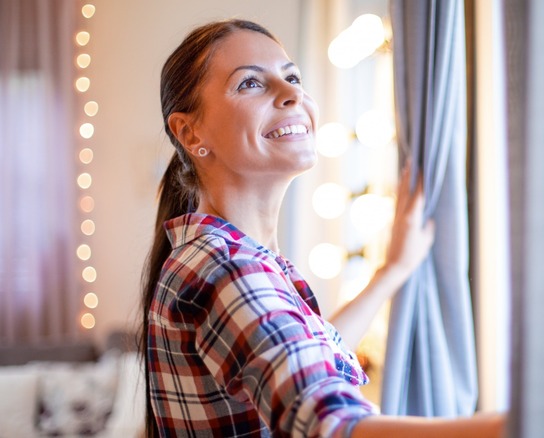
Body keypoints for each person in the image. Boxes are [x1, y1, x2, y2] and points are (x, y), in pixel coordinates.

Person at [140, 18, 504, 438]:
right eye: (251, 84)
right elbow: (329, 423)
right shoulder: (226, 266)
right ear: (190, 131)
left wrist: (392, 272)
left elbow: (313, 356)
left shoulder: (229, 258)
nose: (293, 93)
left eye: (292, 76)